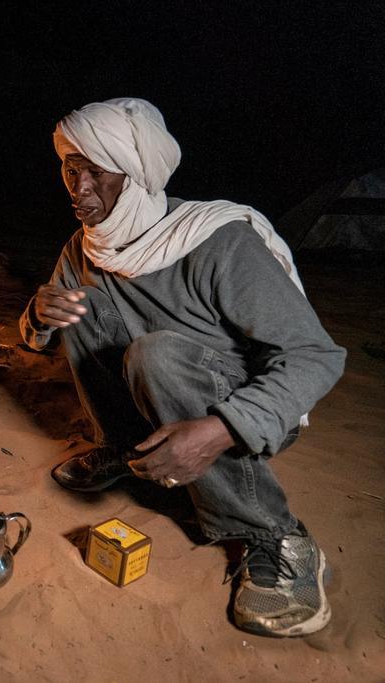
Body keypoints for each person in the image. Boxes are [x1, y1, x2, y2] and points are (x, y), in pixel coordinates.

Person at [21, 98, 345, 637]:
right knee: (81, 305)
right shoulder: (85, 249)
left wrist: (219, 430)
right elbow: (34, 339)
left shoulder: (217, 240)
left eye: (96, 173)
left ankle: (275, 536)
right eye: (70, 169)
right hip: (159, 398)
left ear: (136, 175)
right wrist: (39, 314)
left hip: (244, 414)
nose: (78, 188)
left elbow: (316, 356)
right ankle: (127, 448)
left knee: (158, 353)